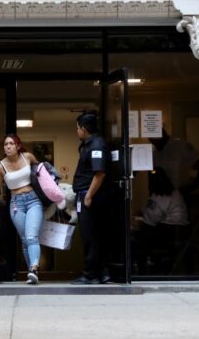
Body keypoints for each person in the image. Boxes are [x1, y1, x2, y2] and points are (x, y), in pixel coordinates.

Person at [0, 134, 42, 284]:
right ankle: (32, 273)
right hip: (16, 204)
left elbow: (41, 172)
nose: (8, 146)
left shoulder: (27, 157)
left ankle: (34, 268)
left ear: (17, 145)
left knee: (31, 236)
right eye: (5, 144)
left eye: (11, 143)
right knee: (24, 240)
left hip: (34, 200)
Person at [71, 110, 110, 284]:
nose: (77, 131)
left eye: (78, 128)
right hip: (85, 195)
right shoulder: (88, 144)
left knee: (90, 236)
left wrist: (88, 196)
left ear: (84, 128)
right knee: (94, 236)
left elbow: (99, 174)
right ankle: (101, 273)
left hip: (90, 196)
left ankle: (90, 274)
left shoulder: (96, 146)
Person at [134, 167, 190, 274]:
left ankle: (141, 269)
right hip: (181, 229)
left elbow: (152, 218)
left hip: (169, 231)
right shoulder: (174, 193)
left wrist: (141, 217)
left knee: (140, 236)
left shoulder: (160, 196)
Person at [149, 128, 199, 194]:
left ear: (161, 134)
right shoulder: (152, 151)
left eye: (154, 140)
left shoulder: (180, 145)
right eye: (150, 139)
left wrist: (193, 186)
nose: (152, 142)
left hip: (179, 195)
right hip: (157, 196)